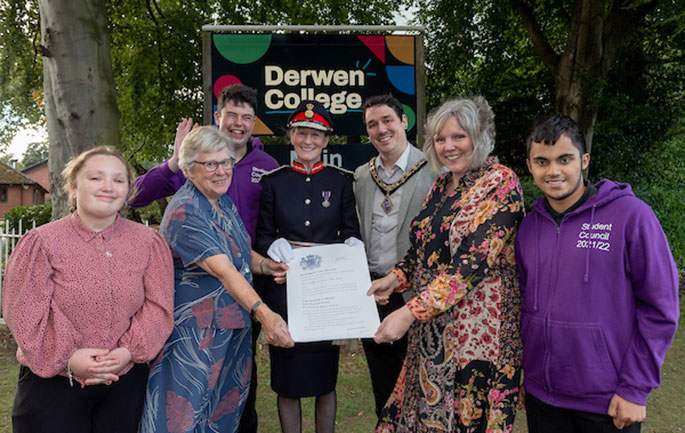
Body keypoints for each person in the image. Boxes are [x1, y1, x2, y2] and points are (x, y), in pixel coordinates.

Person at [368, 97, 525, 432]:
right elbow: (423, 248)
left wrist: (409, 312)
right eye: (440, 139)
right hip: (433, 332)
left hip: (479, 338)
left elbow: (471, 263)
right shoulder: (442, 184)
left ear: (478, 136)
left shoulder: (500, 182)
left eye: (459, 137)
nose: (448, 147)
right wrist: (396, 278)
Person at [515, 113, 679, 433]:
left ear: (584, 160)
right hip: (543, 398)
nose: (554, 171)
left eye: (565, 159)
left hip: (608, 400)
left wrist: (635, 388)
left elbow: (661, 307)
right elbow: (525, 305)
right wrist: (530, 377)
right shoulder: (527, 227)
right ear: (530, 166)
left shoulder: (631, 216)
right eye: (542, 161)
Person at [131, 84, 278, 433]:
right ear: (188, 167)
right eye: (210, 164)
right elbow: (224, 269)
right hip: (196, 335)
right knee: (183, 415)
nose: (221, 170)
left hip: (232, 329)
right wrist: (266, 315)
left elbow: (239, 252)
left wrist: (267, 266)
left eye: (225, 162)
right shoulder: (186, 210)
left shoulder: (221, 199)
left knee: (222, 415)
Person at [2, 146, 175, 433]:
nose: (108, 187)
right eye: (95, 178)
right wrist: (69, 359)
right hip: (53, 383)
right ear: (73, 186)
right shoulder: (41, 242)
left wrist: (127, 352)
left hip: (125, 382)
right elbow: (24, 313)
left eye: (118, 180)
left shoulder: (148, 243)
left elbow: (159, 306)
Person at [255, 100, 361, 433]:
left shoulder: (341, 181)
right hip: (285, 294)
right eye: (302, 133)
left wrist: (353, 248)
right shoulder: (274, 181)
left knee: (324, 382)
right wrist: (272, 246)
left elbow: (350, 232)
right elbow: (261, 235)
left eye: (316, 134)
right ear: (292, 136)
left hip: (325, 296)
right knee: (287, 382)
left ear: (326, 140)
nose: (308, 141)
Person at [353, 94, 436, 419]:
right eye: (372, 124)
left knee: (424, 383)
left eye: (387, 120)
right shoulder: (361, 175)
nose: (380, 129)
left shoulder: (435, 170)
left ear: (404, 121)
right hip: (374, 293)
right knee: (383, 385)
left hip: (418, 292)